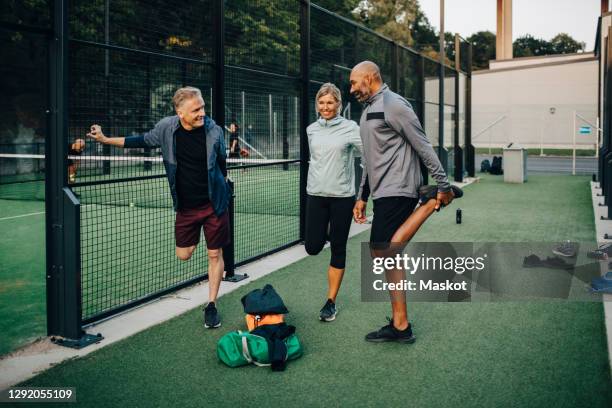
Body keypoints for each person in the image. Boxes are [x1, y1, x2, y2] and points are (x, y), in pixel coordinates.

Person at [86, 86, 231, 329]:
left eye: (203, 107)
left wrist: (222, 189)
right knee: (183, 255)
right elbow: (139, 140)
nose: (202, 113)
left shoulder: (214, 131)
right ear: (180, 112)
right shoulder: (166, 128)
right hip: (185, 208)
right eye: (196, 109)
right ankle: (204, 246)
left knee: (214, 254)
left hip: (213, 204)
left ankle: (211, 304)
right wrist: (104, 139)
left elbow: (222, 162)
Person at [350, 61, 462, 343]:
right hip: (381, 190)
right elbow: (369, 161)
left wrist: (444, 185)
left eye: (354, 82)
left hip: (399, 186)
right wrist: (362, 196)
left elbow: (423, 145)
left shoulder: (394, 105)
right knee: (390, 258)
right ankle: (401, 326)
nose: (351, 88)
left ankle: (429, 204)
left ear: (371, 77)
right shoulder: (367, 112)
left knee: (380, 251)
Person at [305, 83, 362, 322]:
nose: (325, 107)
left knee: (338, 248)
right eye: (321, 102)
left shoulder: (351, 128)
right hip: (316, 195)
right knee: (312, 247)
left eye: (330, 102)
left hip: (342, 198)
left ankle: (330, 302)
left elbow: (365, 158)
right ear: (317, 105)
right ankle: (328, 229)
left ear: (339, 104)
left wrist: (362, 195)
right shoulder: (311, 130)